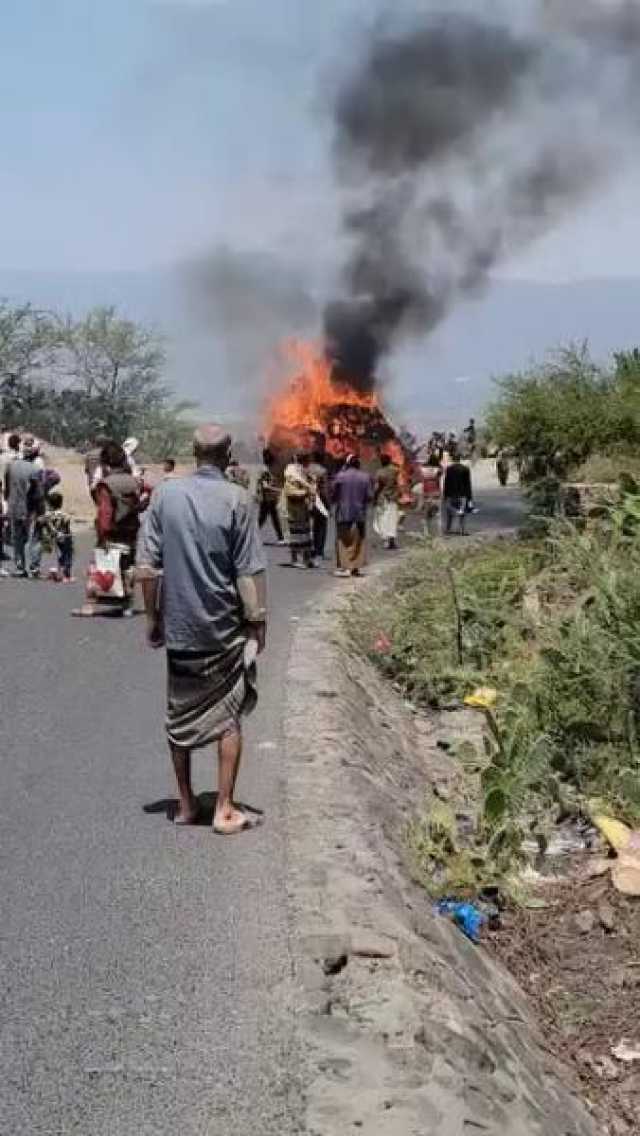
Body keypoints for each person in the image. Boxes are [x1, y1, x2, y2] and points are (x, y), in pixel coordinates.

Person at [138, 423, 267, 835]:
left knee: (180, 714)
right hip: (224, 629)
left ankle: (186, 803)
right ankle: (224, 808)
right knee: (228, 717)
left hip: (180, 628)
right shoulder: (238, 499)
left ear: (194, 453)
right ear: (227, 454)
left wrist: (152, 619)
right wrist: (257, 621)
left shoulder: (165, 494)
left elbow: (147, 568)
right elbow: (248, 571)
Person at [74, 440, 142, 616]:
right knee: (127, 567)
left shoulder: (106, 484)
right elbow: (145, 498)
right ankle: (127, 605)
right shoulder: (134, 482)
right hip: (130, 531)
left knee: (98, 569)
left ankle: (90, 606)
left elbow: (105, 512)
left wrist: (102, 535)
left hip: (111, 533)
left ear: (105, 462)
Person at [5, 443, 45, 577]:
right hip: (29, 509)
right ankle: (34, 567)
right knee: (35, 537)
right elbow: (38, 493)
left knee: (17, 538)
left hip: (14, 506)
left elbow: (7, 486)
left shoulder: (11, 466)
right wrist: (41, 512)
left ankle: (20, 567)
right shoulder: (35, 469)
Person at [332, 455, 371, 577]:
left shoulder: (340, 476)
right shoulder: (365, 477)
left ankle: (345, 567)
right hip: (360, 512)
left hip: (343, 512)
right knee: (358, 539)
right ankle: (355, 567)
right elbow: (369, 496)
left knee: (343, 540)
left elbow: (333, 494)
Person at [284, 452, 315, 568]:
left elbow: (310, 485)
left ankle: (307, 559)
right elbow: (290, 492)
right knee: (296, 535)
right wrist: (306, 492)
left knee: (306, 535)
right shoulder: (291, 474)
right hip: (295, 510)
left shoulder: (303, 473)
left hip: (304, 509)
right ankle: (295, 560)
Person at [43, 491, 75, 582]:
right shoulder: (63, 515)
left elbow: (45, 524)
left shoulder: (48, 515)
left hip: (54, 537)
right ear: (61, 503)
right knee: (67, 555)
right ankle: (66, 575)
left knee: (59, 555)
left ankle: (58, 573)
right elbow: (67, 524)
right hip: (65, 537)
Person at [257, 448, 285, 545]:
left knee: (272, 518)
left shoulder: (269, 469)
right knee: (262, 519)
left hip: (271, 498)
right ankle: (250, 536)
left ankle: (281, 537)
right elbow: (265, 486)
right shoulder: (265, 470)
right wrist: (279, 490)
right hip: (267, 499)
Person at [373, 452, 400, 550]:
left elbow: (377, 487)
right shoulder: (395, 470)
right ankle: (391, 541)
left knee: (383, 520)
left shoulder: (379, 473)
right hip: (393, 498)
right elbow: (397, 484)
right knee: (392, 519)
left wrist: (374, 498)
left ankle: (386, 541)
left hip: (382, 498)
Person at [442, 453, 473, 535]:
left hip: (451, 494)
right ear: (460, 459)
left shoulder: (449, 469)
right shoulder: (465, 469)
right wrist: (469, 497)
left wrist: (445, 495)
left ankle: (448, 529)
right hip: (462, 495)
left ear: (453, 459)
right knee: (462, 513)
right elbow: (468, 484)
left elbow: (446, 483)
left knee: (449, 514)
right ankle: (463, 530)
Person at [309, 450, 330, 562]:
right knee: (321, 526)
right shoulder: (323, 471)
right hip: (319, 501)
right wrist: (328, 505)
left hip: (307, 500)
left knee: (312, 526)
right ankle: (319, 551)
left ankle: (310, 549)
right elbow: (324, 491)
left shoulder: (306, 469)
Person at [422, 452, 443, 536]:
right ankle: (439, 531)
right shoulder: (438, 469)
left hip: (426, 492)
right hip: (436, 492)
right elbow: (439, 478)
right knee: (438, 514)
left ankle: (426, 532)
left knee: (426, 514)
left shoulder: (423, 469)